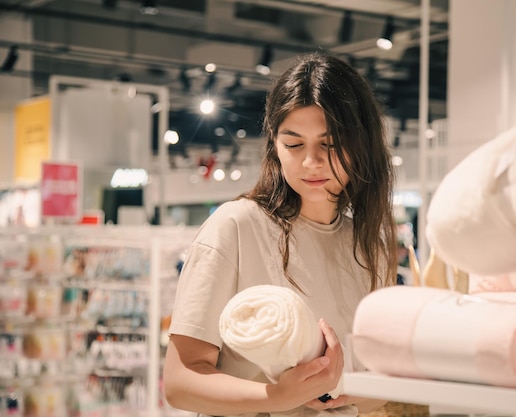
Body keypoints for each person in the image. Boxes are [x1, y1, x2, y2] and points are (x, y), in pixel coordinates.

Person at [163, 51, 398, 417]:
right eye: (293, 144)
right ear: (275, 144)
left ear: (362, 144)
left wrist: (340, 387)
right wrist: (277, 397)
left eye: (330, 144)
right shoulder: (236, 228)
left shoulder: (371, 248)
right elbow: (181, 382)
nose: (311, 162)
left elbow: (380, 386)